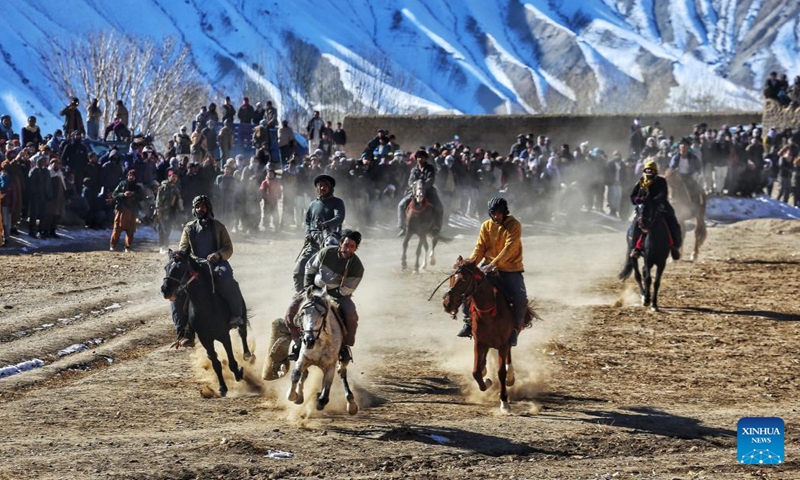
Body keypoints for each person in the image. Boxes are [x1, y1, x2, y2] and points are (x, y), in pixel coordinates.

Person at [457, 197, 528, 347]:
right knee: (466, 289)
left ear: (504, 212)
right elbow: (480, 247)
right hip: (488, 266)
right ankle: (468, 322)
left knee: (520, 298)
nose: (496, 216)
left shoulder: (514, 225)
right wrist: (471, 264)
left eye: (499, 214)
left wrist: (494, 264)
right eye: (493, 214)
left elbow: (510, 247)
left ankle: (515, 329)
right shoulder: (486, 226)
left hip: (510, 269)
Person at [286, 229, 364, 363]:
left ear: (356, 249)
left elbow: (347, 289)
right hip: (314, 289)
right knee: (290, 313)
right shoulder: (326, 252)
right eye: (346, 245)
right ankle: (297, 343)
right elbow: (310, 268)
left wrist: (327, 295)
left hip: (337, 296)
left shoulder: (357, 267)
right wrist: (309, 287)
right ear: (340, 244)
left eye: (352, 247)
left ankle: (344, 346)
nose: (348, 249)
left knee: (351, 316)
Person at [178, 195, 247, 329]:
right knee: (178, 290)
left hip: (216, 264)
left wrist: (218, 255)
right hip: (195, 266)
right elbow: (183, 249)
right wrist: (188, 259)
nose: (200, 209)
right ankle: (184, 329)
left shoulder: (218, 226)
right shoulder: (188, 228)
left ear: (208, 208)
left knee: (226, 279)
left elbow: (228, 247)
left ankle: (236, 315)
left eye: (203, 206)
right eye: (197, 207)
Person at [292, 174, 345, 293]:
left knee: (330, 275)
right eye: (320, 185)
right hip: (314, 242)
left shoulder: (337, 202)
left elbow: (339, 217)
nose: (322, 188)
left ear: (331, 188)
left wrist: (326, 224)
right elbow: (307, 221)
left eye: (325, 185)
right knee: (298, 270)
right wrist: (308, 233)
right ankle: (301, 295)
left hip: (331, 242)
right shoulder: (312, 204)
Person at [629, 159, 682, 260]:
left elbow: (663, 194)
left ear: (655, 171)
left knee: (672, 221)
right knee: (634, 225)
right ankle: (635, 248)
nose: (649, 172)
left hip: (660, 207)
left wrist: (652, 201)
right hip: (643, 208)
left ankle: (674, 246)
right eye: (647, 170)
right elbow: (633, 195)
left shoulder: (661, 181)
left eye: (651, 170)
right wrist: (638, 199)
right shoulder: (640, 182)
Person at [396, 149, 444, 238]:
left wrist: (423, 186)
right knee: (401, 204)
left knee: (439, 207)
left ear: (426, 158)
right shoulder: (414, 170)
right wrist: (416, 186)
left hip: (428, 191)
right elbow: (410, 181)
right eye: (418, 157)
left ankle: (436, 227)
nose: (420, 159)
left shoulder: (430, 168)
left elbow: (430, 179)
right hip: (415, 191)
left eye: (422, 157)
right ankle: (403, 227)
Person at [109, 169, 145, 252]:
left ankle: (127, 247)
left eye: (132, 176)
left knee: (131, 229)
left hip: (133, 209)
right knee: (117, 228)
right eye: (129, 175)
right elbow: (114, 194)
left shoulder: (138, 187)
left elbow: (141, 197)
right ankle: (113, 245)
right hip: (122, 209)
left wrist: (133, 194)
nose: (131, 177)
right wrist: (123, 194)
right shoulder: (122, 184)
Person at [155, 169, 182, 254]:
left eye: (176, 177)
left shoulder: (175, 188)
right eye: (173, 176)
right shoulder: (164, 187)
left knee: (168, 229)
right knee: (163, 229)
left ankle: (165, 246)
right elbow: (158, 200)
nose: (174, 178)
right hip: (163, 211)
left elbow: (178, 200)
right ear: (169, 177)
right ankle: (162, 246)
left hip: (171, 211)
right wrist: (158, 210)